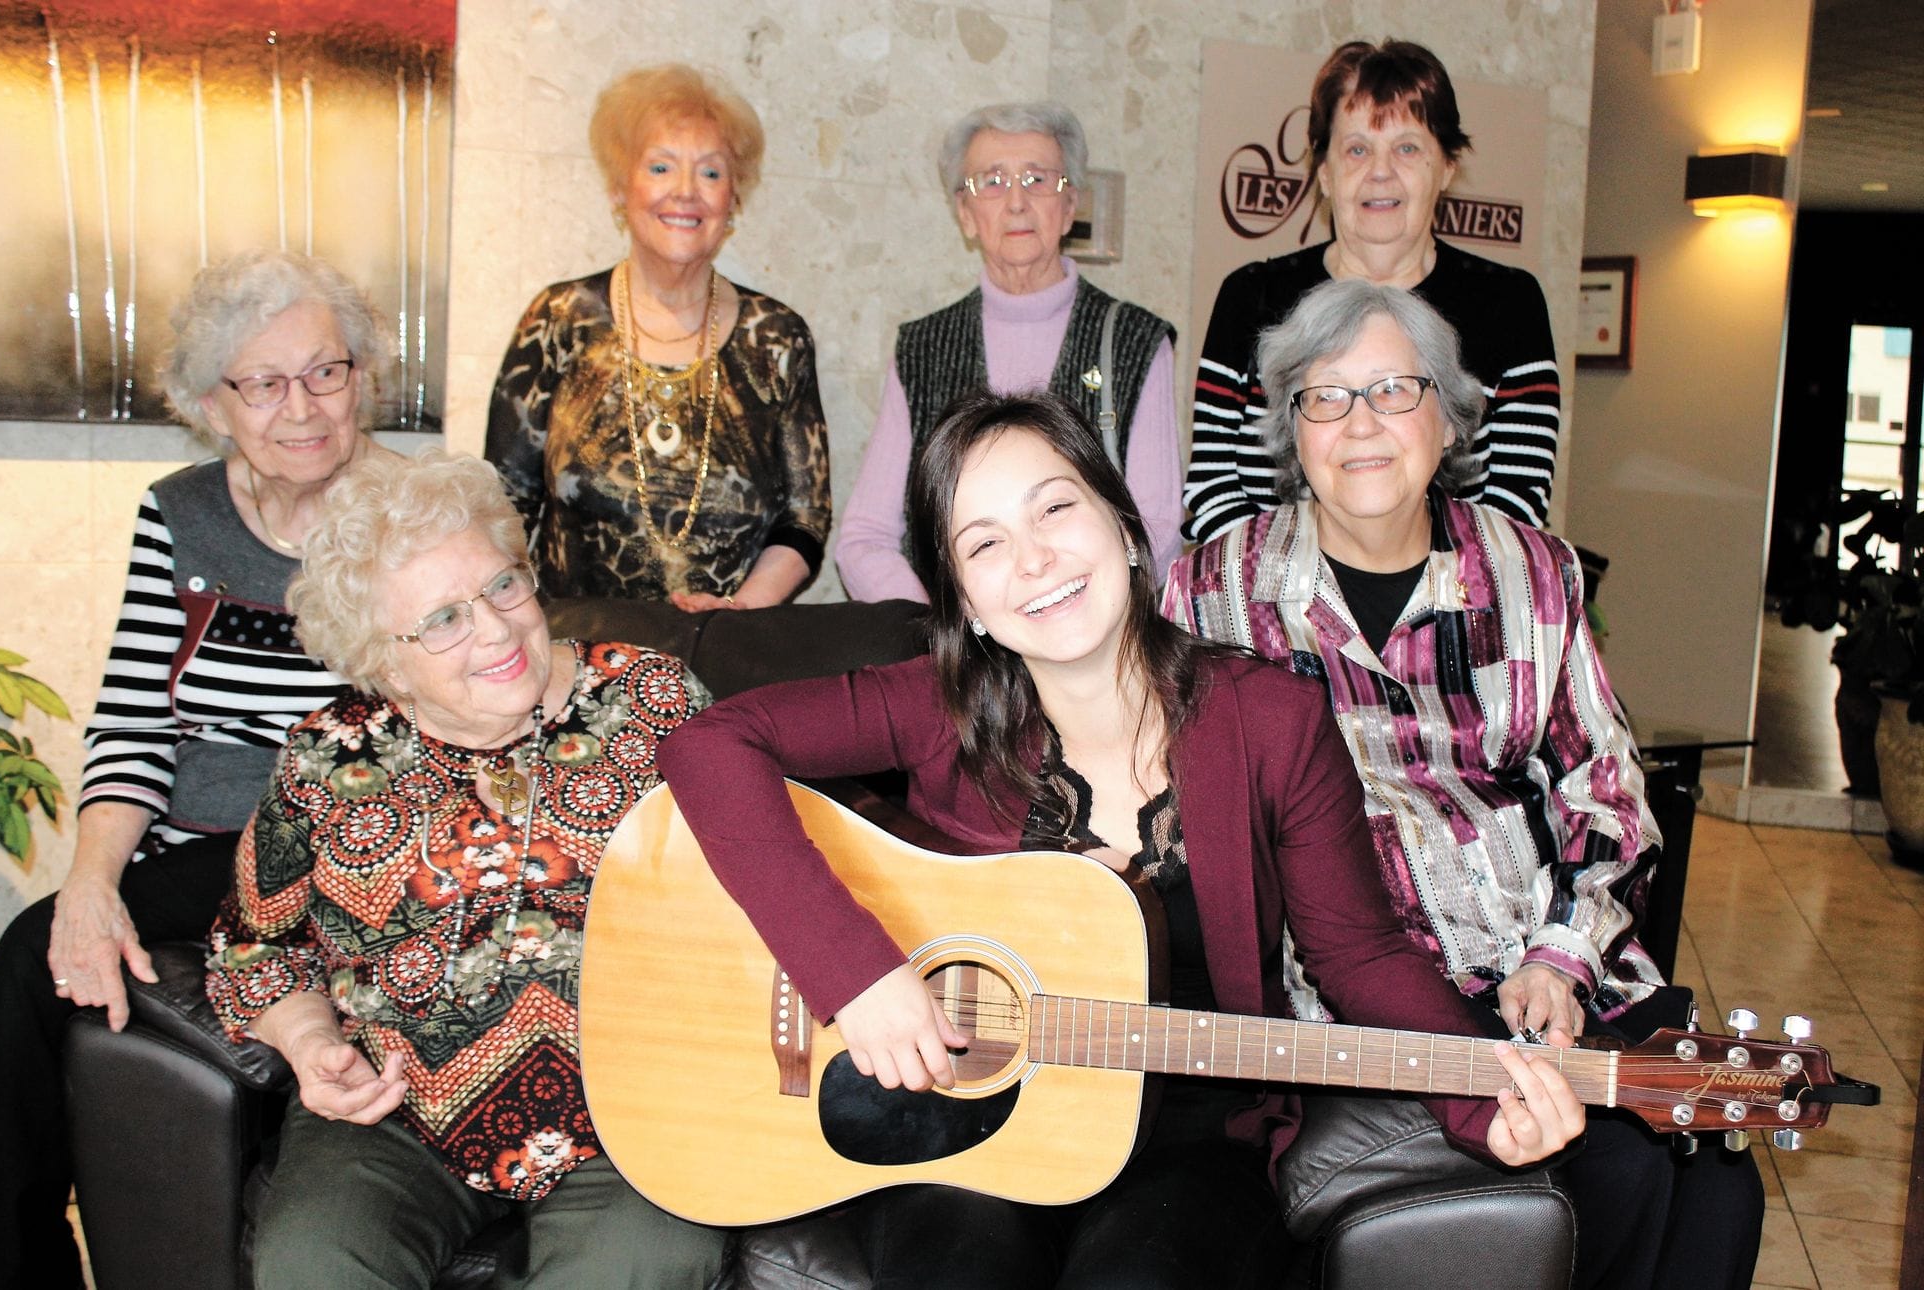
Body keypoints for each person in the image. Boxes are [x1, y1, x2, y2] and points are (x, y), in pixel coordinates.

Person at [659, 390, 1582, 1289]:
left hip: (1185, 1137)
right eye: (985, 545)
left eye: (1055, 506)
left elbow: (1357, 951)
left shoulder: (1273, 719)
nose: (1034, 559)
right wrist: (853, 973)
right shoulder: (934, 705)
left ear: (1130, 532)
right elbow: (708, 746)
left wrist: (1480, 1098)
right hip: (956, 1121)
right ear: (967, 605)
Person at [1163, 278, 1764, 1289]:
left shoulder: (1532, 574)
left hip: (1542, 968)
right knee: (1610, 1173)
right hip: (1351, 992)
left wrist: (1563, 960)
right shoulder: (1213, 592)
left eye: (1395, 391)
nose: (1360, 424)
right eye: (1326, 396)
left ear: (1445, 416)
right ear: (1290, 429)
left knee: (1715, 1184)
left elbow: (1605, 791)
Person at [204, 452, 728, 1288]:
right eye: (443, 619)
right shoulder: (327, 757)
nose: (493, 629)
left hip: (631, 1108)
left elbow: (773, 882)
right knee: (312, 1265)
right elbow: (253, 949)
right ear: (383, 661)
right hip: (394, 1111)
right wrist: (309, 1042)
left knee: (641, 1264)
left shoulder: (651, 701)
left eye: (502, 587)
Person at [0, 250, 389, 1287]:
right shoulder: (180, 514)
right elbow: (131, 723)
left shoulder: (415, 512)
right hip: (193, 845)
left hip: (341, 844)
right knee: (34, 956)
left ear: (362, 377)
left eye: (326, 372)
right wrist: (88, 884)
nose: (301, 407)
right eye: (263, 382)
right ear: (213, 405)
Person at [1183, 38, 1559, 542]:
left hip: (1454, 608)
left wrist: (1402, 595)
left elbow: (1517, 504)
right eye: (1357, 149)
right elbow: (1211, 490)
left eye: (1406, 148)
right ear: (1323, 173)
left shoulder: (1510, 306)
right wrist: (1305, 595)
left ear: (1447, 166)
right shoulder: (1247, 299)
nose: (1380, 172)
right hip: (1268, 608)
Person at [486, 62, 829, 611]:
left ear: (733, 199)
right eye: (661, 167)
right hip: (577, 655)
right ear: (620, 188)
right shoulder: (558, 320)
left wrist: (738, 615)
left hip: (729, 654)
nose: (686, 192)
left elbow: (806, 517)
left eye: (711, 173)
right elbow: (502, 506)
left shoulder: (778, 339)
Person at [834, 102, 1182, 601]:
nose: (1017, 202)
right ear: (965, 214)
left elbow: (1157, 530)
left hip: (1085, 634)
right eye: (992, 182)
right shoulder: (923, 347)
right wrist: (944, 629)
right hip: (949, 651)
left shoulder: (1134, 338)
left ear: (1070, 207)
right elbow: (864, 539)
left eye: (1038, 180)